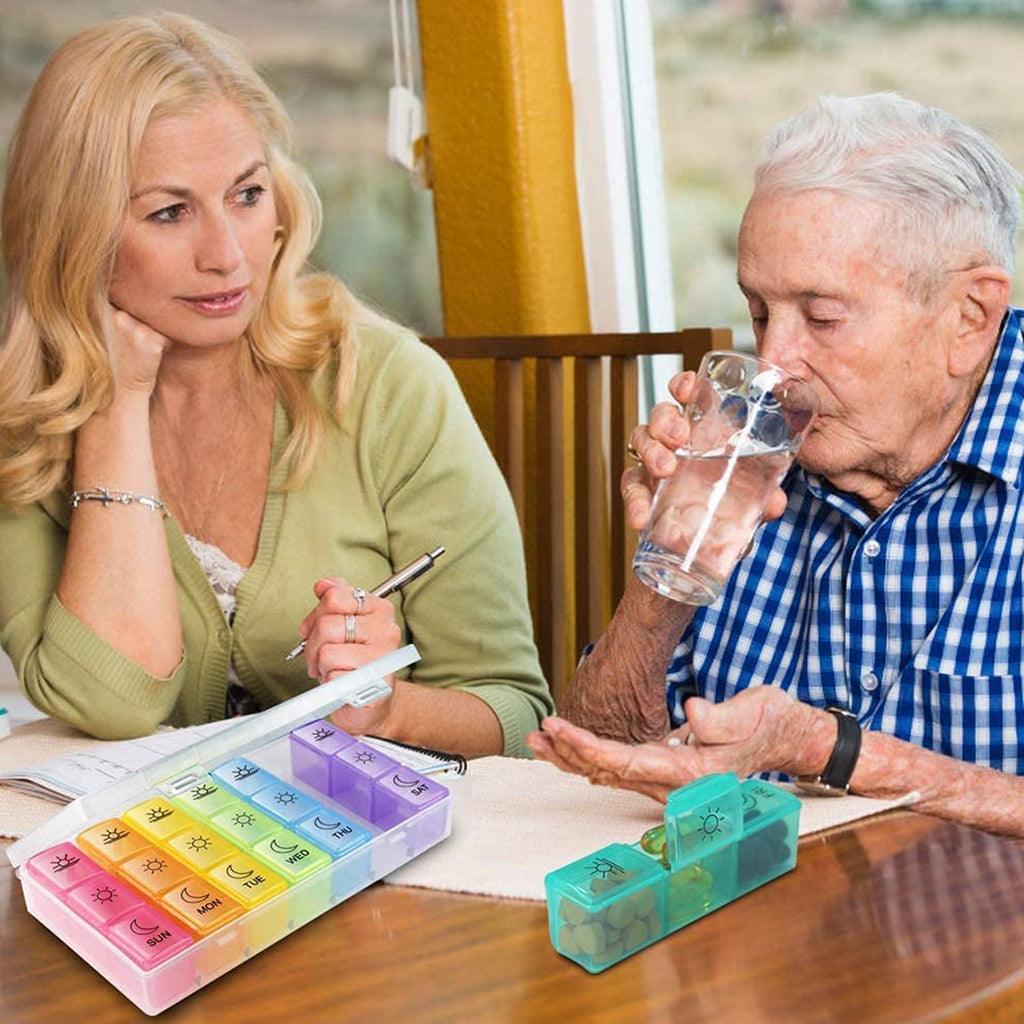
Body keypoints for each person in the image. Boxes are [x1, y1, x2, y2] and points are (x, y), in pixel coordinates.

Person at [0, 12, 551, 757]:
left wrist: (388, 709)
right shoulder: (27, 428)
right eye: (169, 212)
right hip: (157, 833)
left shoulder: (390, 386)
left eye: (247, 195)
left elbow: (514, 715)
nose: (227, 255)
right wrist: (114, 403)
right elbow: (110, 699)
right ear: (75, 233)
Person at [527, 93, 1024, 836]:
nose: (774, 361)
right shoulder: (750, 456)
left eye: (822, 317)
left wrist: (830, 750)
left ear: (969, 318)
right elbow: (594, 761)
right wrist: (670, 567)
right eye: (759, 312)